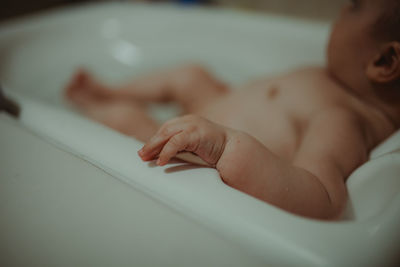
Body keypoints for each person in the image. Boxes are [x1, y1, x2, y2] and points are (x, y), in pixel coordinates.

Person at [64, 0, 400, 220]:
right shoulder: (340, 82)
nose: (343, 8)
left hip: (200, 148)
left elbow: (321, 196)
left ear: (384, 61)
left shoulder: (342, 119)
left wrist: (225, 147)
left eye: (355, 7)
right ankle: (108, 89)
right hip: (217, 110)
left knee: (123, 119)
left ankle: (95, 105)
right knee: (190, 75)